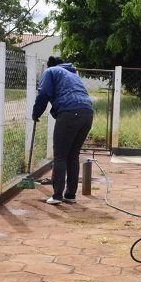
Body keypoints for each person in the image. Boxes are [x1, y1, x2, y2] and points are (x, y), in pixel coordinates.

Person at [31, 56, 94, 205]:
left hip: (70, 112)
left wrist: (36, 113)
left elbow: (43, 93)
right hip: (88, 113)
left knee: (60, 155)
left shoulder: (50, 71)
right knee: (73, 155)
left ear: (50, 65)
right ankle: (70, 195)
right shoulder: (73, 74)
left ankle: (57, 196)